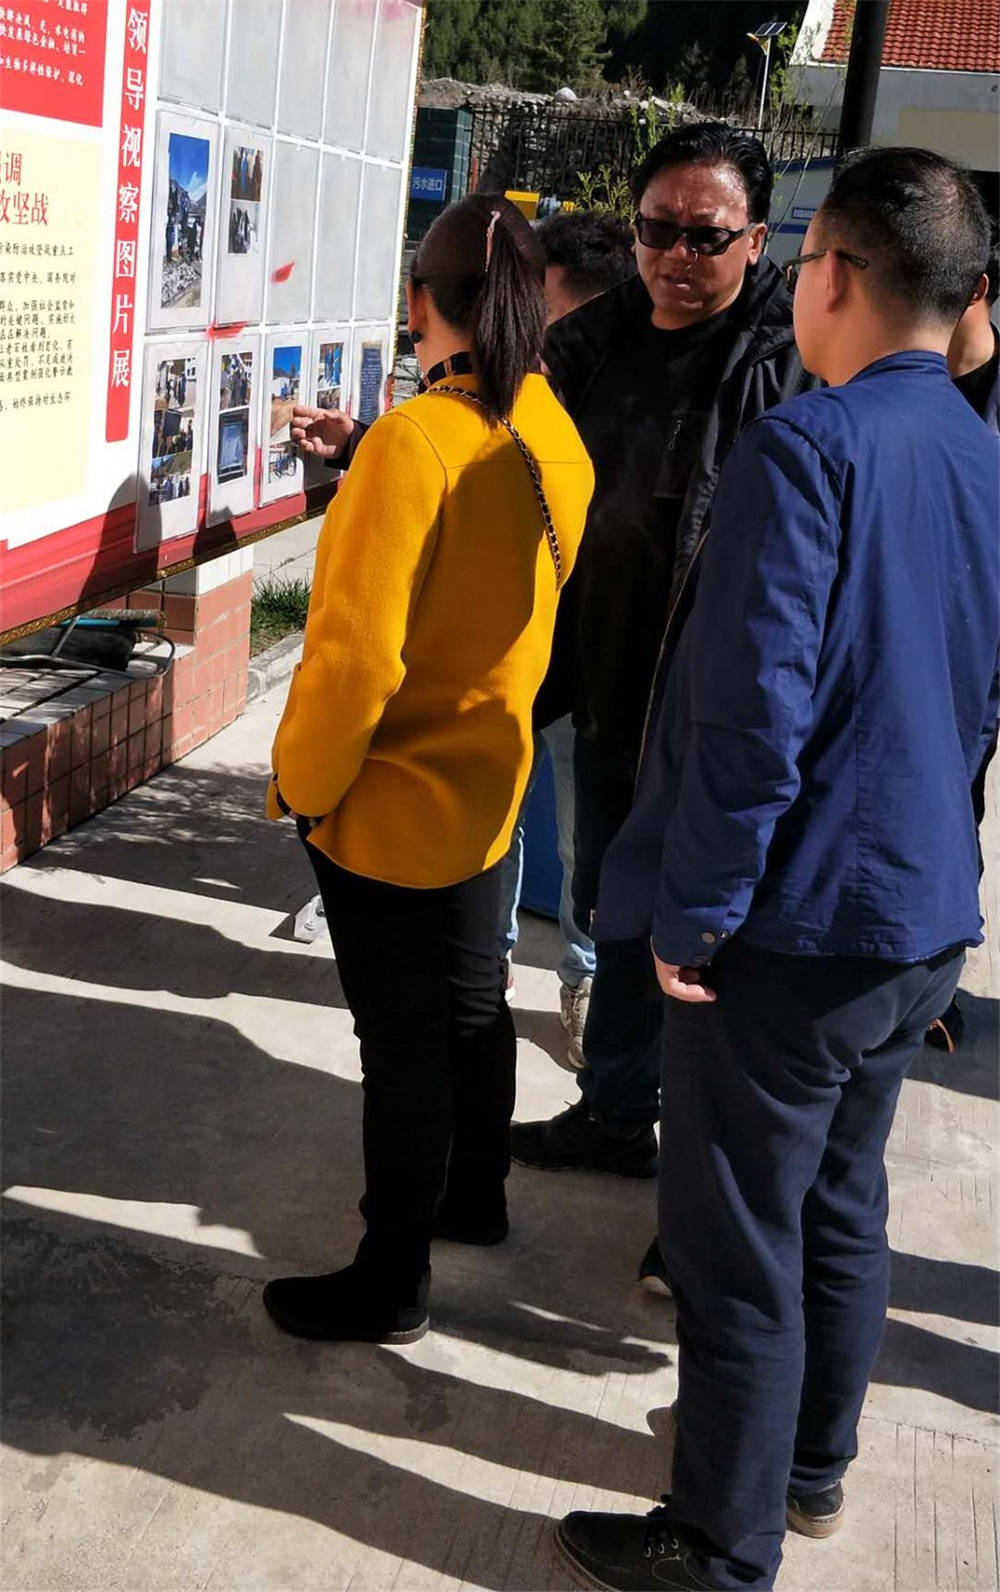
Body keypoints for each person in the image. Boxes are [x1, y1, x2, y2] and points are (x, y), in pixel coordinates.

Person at [555, 147, 999, 1592]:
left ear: (836, 276)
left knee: (736, 1237)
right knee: (841, 1202)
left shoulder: (808, 448)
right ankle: (810, 1466)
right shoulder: (979, 451)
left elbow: (753, 716)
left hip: (796, 929)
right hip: (916, 916)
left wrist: (695, 914)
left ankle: (718, 1539)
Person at [261, 194, 594, 1347]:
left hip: (389, 806)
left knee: (400, 1043)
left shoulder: (414, 442)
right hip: (488, 783)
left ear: (421, 304)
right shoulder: (550, 429)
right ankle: (475, 1197)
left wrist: (302, 786)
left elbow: (353, 660)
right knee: (469, 1006)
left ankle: (389, 1276)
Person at [511, 125, 813, 1212]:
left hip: (725, 709)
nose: (675, 255)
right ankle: (611, 1114)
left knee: (714, 944)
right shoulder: (593, 336)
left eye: (705, 236)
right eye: (656, 230)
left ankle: (702, 1174)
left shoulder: (793, 360)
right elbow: (499, 438)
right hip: (609, 687)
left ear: (756, 238)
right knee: (616, 911)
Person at [499, 208, 636, 1064]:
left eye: (542, 302)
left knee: (583, 837)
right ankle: (487, 964)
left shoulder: (632, 390)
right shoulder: (522, 379)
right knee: (496, 816)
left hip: (589, 658)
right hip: (512, 641)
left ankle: (581, 979)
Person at [927, 247, 1000, 1052]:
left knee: (956, 809)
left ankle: (937, 986)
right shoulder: (893, 380)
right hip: (900, 635)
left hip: (978, 654)